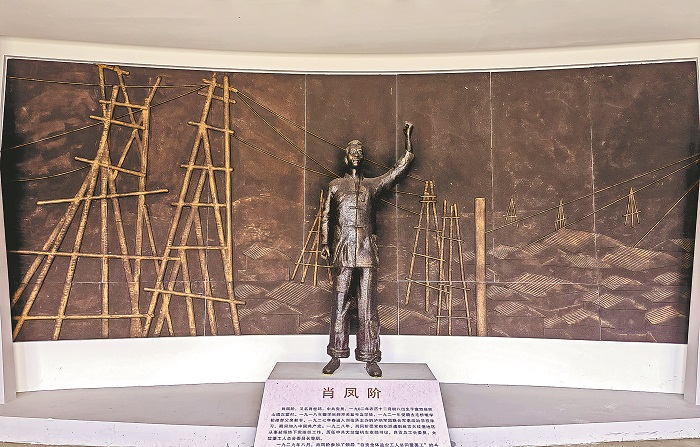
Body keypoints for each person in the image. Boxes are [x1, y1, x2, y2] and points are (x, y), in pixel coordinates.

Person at [320, 122, 415, 377]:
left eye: (360, 152)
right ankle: (335, 355)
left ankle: (370, 356)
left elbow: (397, 172)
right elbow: (326, 217)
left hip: (366, 252)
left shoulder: (372, 186)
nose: (356, 155)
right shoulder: (335, 185)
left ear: (362, 158)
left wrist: (408, 142)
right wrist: (325, 243)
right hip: (343, 250)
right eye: (352, 152)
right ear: (346, 157)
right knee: (339, 303)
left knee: (367, 306)